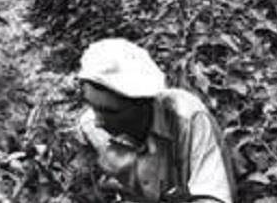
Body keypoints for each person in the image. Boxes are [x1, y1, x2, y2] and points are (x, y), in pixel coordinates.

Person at [75, 38, 236, 203]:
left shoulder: (188, 119)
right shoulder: (90, 129)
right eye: (93, 107)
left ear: (143, 104)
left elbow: (215, 197)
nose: (98, 122)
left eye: (111, 112)